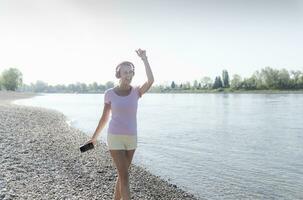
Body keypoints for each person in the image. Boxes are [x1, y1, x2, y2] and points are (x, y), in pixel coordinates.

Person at [85, 48, 154, 200]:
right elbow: (104, 118)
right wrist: (94, 137)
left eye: (130, 72)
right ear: (119, 74)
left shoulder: (137, 91)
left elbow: (150, 81)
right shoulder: (109, 93)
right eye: (125, 72)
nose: (128, 75)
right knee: (125, 176)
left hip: (131, 138)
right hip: (114, 137)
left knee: (122, 175)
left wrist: (145, 59)